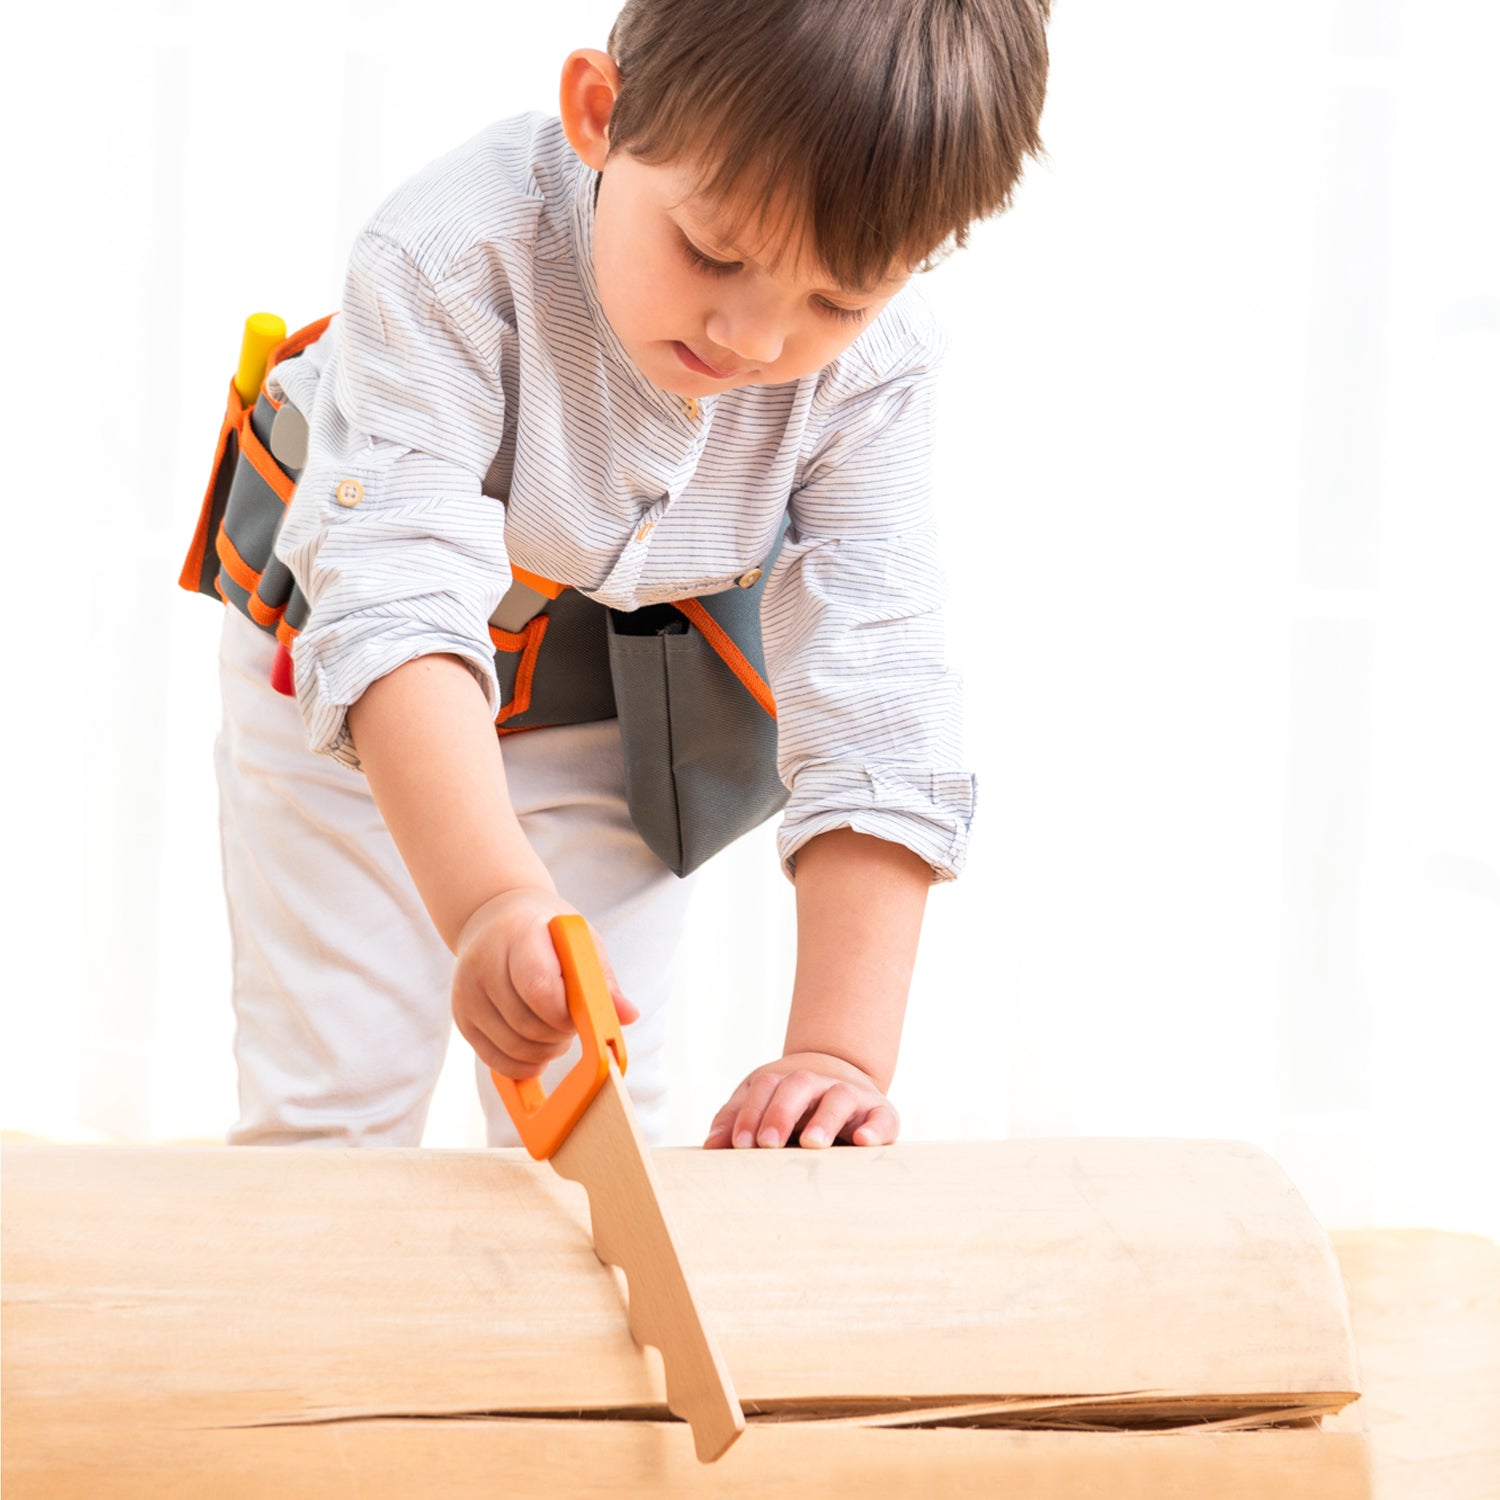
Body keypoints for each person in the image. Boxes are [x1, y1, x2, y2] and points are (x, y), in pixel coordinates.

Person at [202, 0, 1050, 1152]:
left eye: (839, 300)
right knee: (334, 1100)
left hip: (615, 701)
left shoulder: (877, 377)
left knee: (596, 1101)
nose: (754, 337)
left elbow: (877, 684)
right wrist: (491, 901)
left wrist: (837, 1056)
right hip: (354, 685)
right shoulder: (446, 256)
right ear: (601, 115)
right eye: (713, 251)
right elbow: (393, 600)